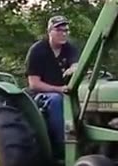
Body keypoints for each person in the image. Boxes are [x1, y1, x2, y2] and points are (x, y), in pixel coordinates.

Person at [26, 15, 80, 154]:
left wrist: (74, 69)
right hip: (42, 95)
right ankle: (63, 145)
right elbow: (34, 84)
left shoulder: (70, 48)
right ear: (49, 32)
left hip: (67, 91)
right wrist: (59, 89)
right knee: (56, 100)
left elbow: (76, 65)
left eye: (66, 30)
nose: (63, 33)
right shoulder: (38, 51)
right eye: (59, 30)